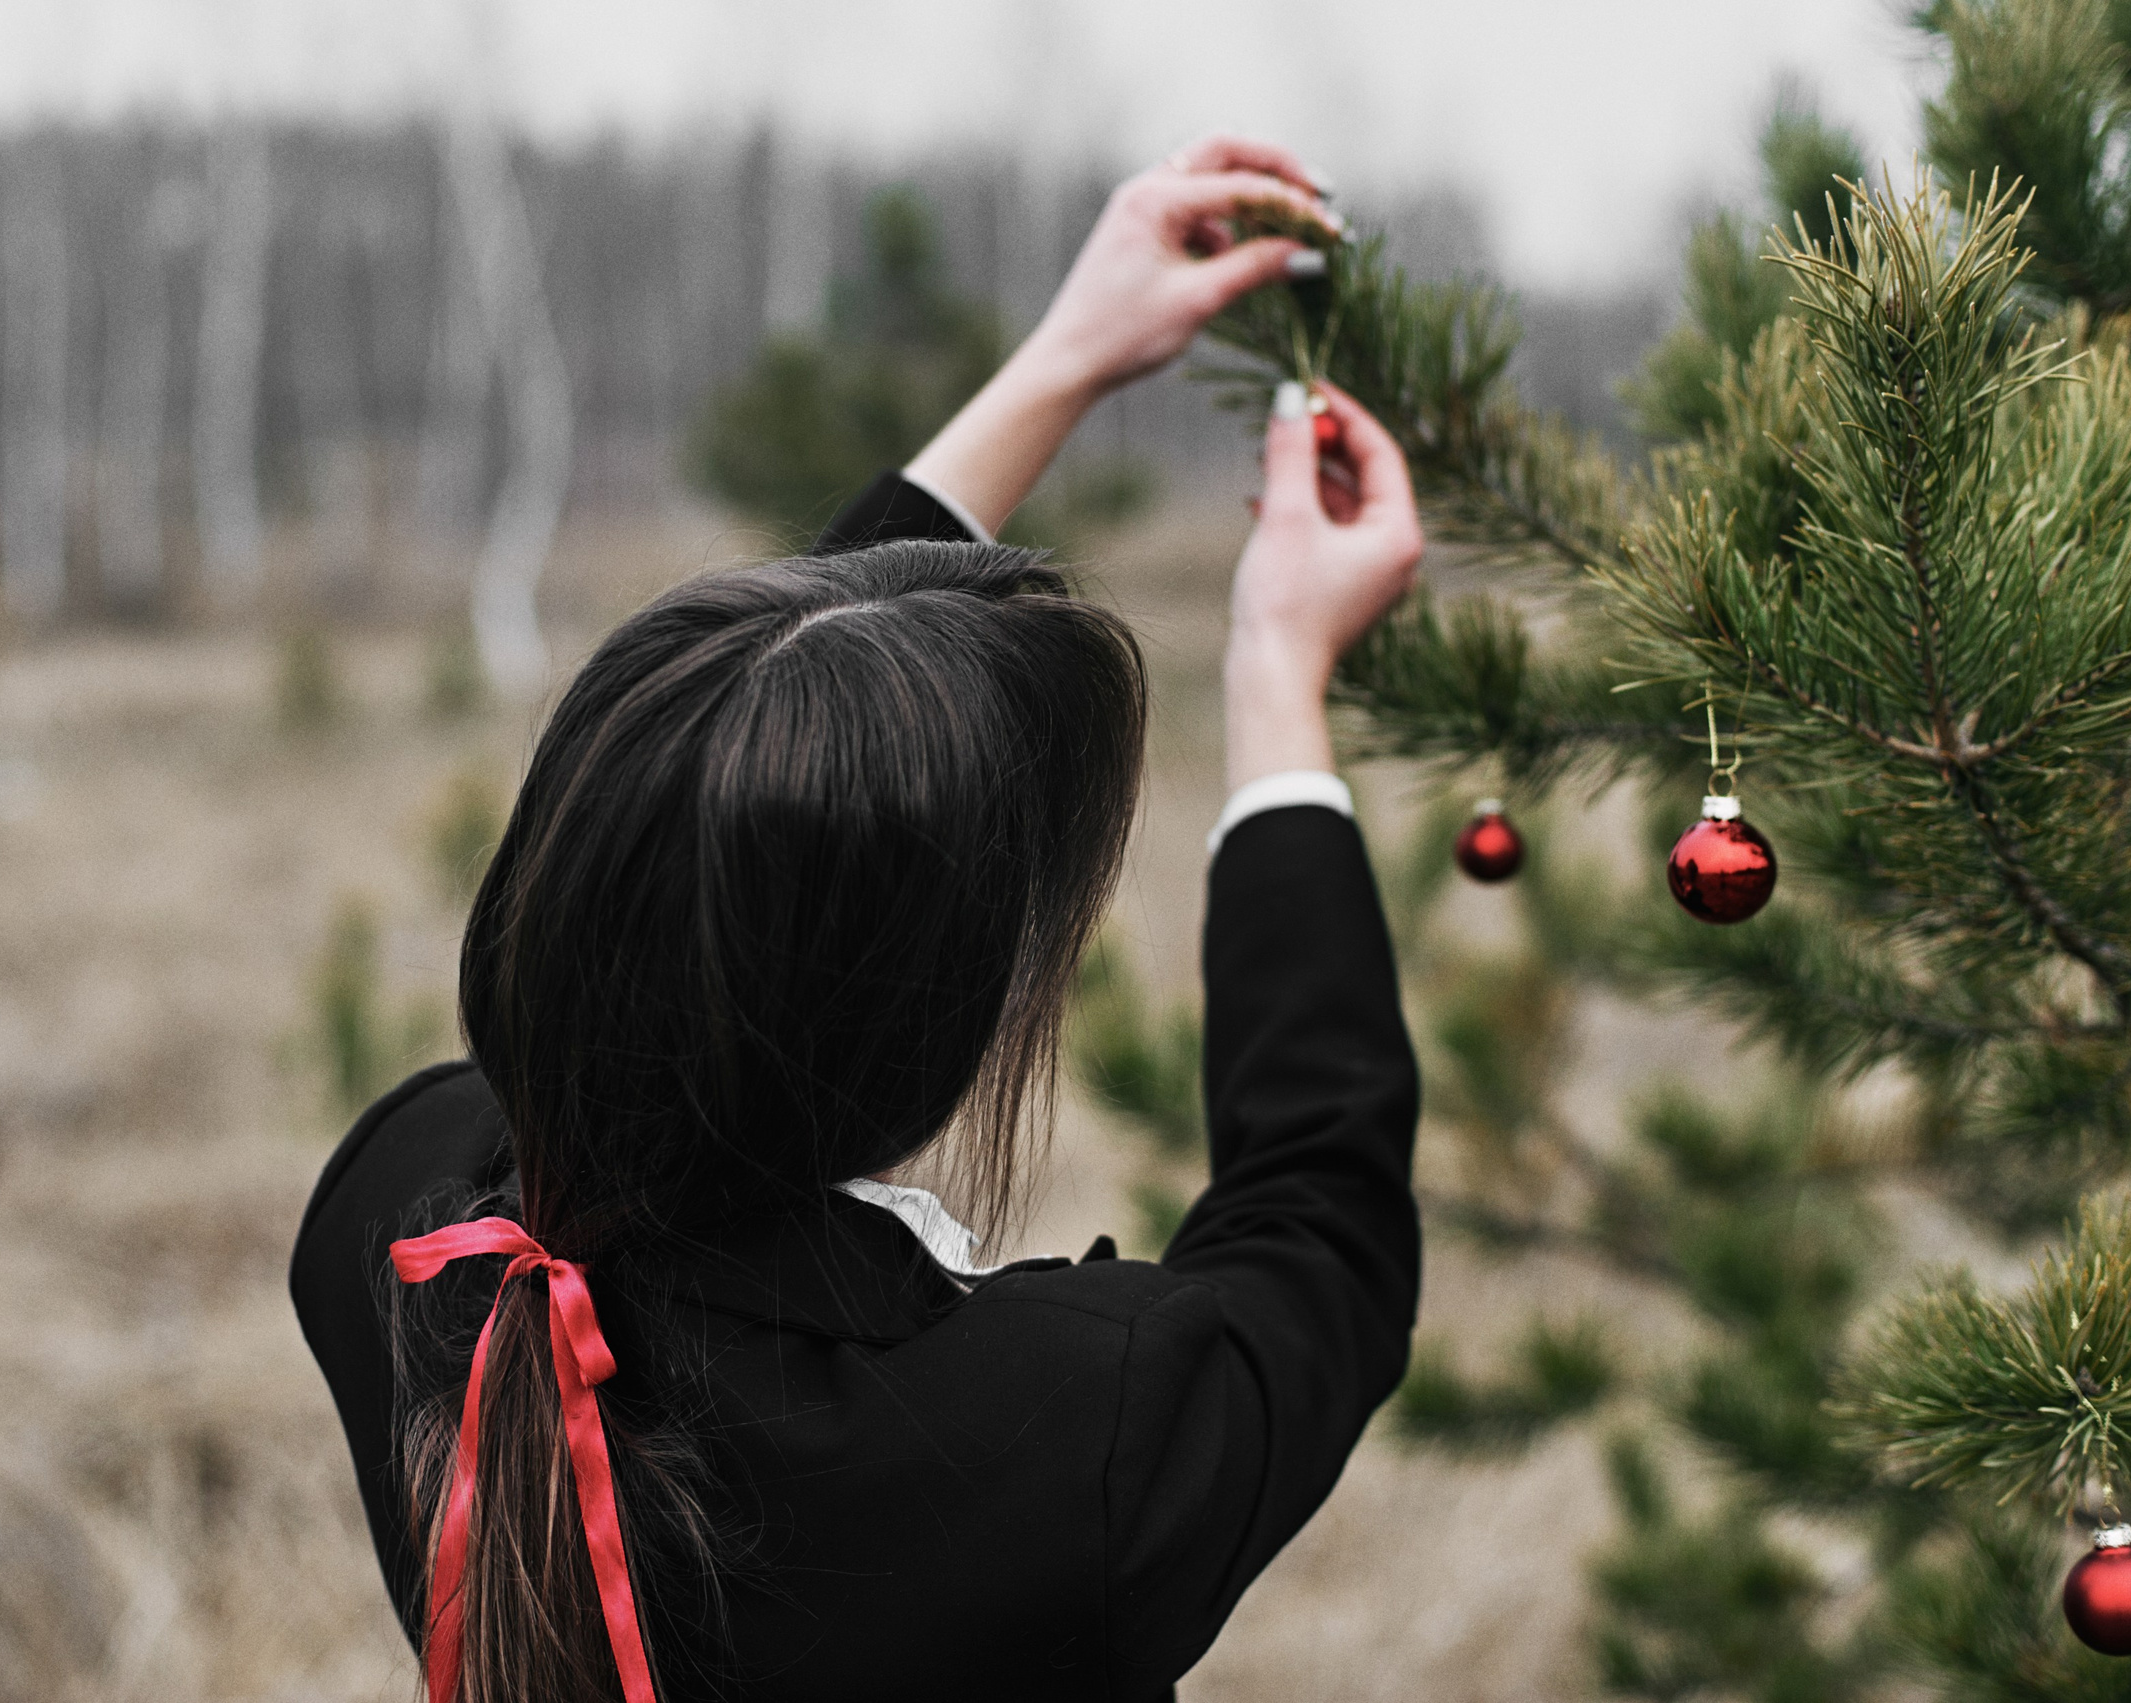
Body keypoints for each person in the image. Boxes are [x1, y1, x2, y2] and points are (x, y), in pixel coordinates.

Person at [291, 135, 1424, 1703]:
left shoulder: (399, 1232)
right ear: (924, 1023)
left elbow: (715, 804)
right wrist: (1279, 678)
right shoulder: (1062, 1451)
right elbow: (1326, 1234)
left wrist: (1065, 360)